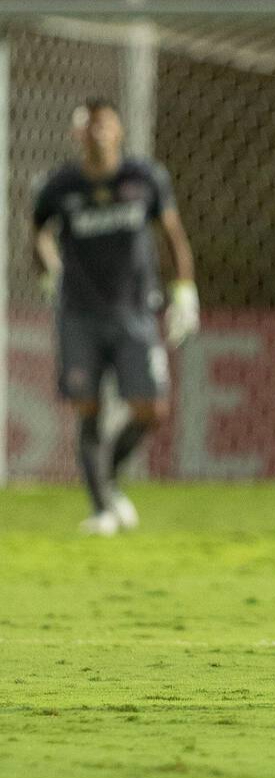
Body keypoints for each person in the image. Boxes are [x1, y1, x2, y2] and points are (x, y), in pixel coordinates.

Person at [31, 98, 200, 536]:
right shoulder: (59, 186)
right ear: (76, 135)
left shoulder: (145, 179)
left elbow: (173, 236)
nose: (96, 134)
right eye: (87, 127)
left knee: (151, 409)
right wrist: (50, 271)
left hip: (136, 313)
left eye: (103, 125)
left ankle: (108, 480)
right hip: (79, 314)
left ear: (119, 131)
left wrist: (184, 292)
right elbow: (38, 235)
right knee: (88, 409)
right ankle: (102, 508)